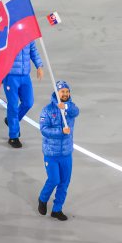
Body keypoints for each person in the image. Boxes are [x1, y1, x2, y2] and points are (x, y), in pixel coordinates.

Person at [38, 80, 79, 221]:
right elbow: (44, 130)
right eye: (63, 92)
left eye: (67, 92)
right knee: (54, 179)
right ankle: (43, 199)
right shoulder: (47, 110)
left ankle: (57, 209)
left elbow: (76, 111)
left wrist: (65, 107)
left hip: (66, 153)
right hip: (51, 154)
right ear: (57, 93)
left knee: (64, 182)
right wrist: (61, 131)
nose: (66, 94)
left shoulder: (70, 109)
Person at [2, 41, 43, 148]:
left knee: (28, 102)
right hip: (11, 76)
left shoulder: (29, 33)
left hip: (25, 75)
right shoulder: (7, 33)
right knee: (13, 106)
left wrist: (39, 65)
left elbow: (33, 50)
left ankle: (11, 121)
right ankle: (13, 136)